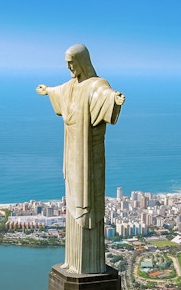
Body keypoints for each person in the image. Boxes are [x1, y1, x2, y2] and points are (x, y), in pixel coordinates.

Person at [37, 44, 125, 274]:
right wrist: (48, 90)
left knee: (87, 203)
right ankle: (73, 263)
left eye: (72, 62)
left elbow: (104, 95)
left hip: (88, 154)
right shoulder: (71, 86)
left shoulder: (96, 84)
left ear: (82, 61)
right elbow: (60, 91)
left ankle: (90, 265)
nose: (69, 67)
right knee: (73, 200)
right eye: (67, 63)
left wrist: (114, 99)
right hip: (72, 152)